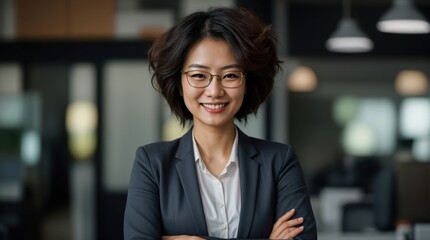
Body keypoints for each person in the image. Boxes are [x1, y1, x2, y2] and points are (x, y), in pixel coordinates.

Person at [124, 7, 317, 240]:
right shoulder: (152, 164)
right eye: (198, 75)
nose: (214, 91)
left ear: (248, 82)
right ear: (179, 81)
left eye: (230, 75)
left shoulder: (279, 162)